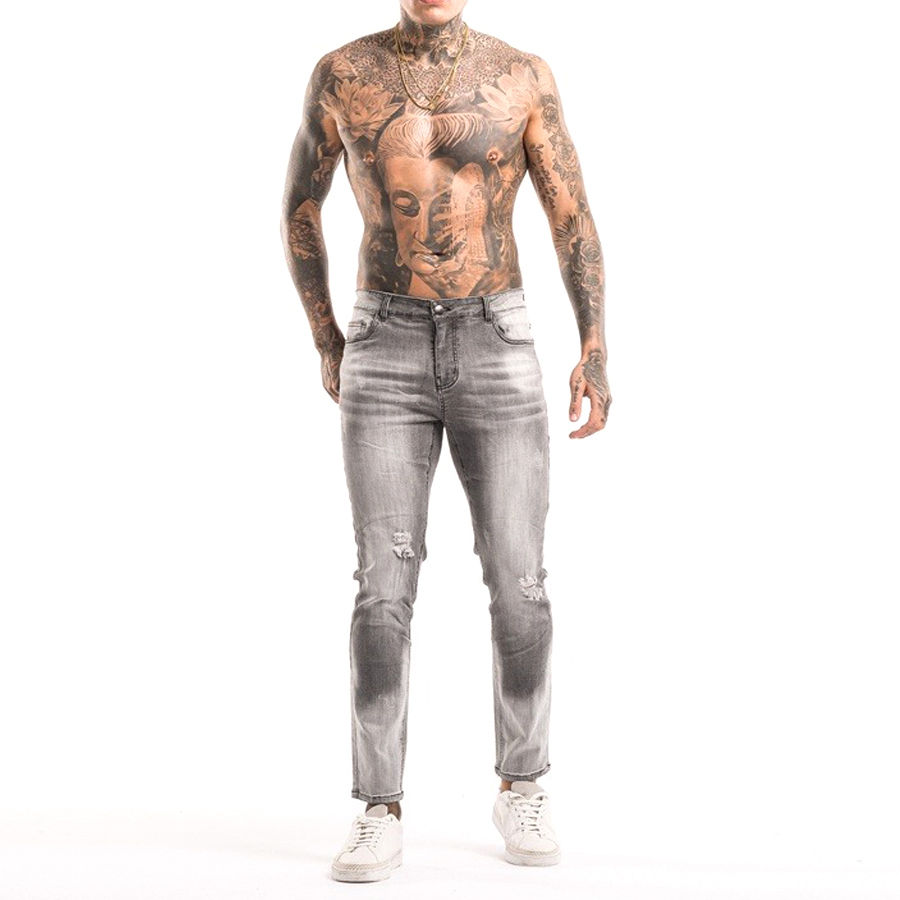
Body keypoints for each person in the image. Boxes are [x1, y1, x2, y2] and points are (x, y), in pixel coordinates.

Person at [280, 0, 611, 882]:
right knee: (382, 585)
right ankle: (378, 807)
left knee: (520, 578)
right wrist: (327, 337)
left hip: (496, 339)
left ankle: (522, 782)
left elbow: (571, 215)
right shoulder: (343, 73)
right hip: (383, 343)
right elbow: (300, 206)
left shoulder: (521, 75)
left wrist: (594, 345)